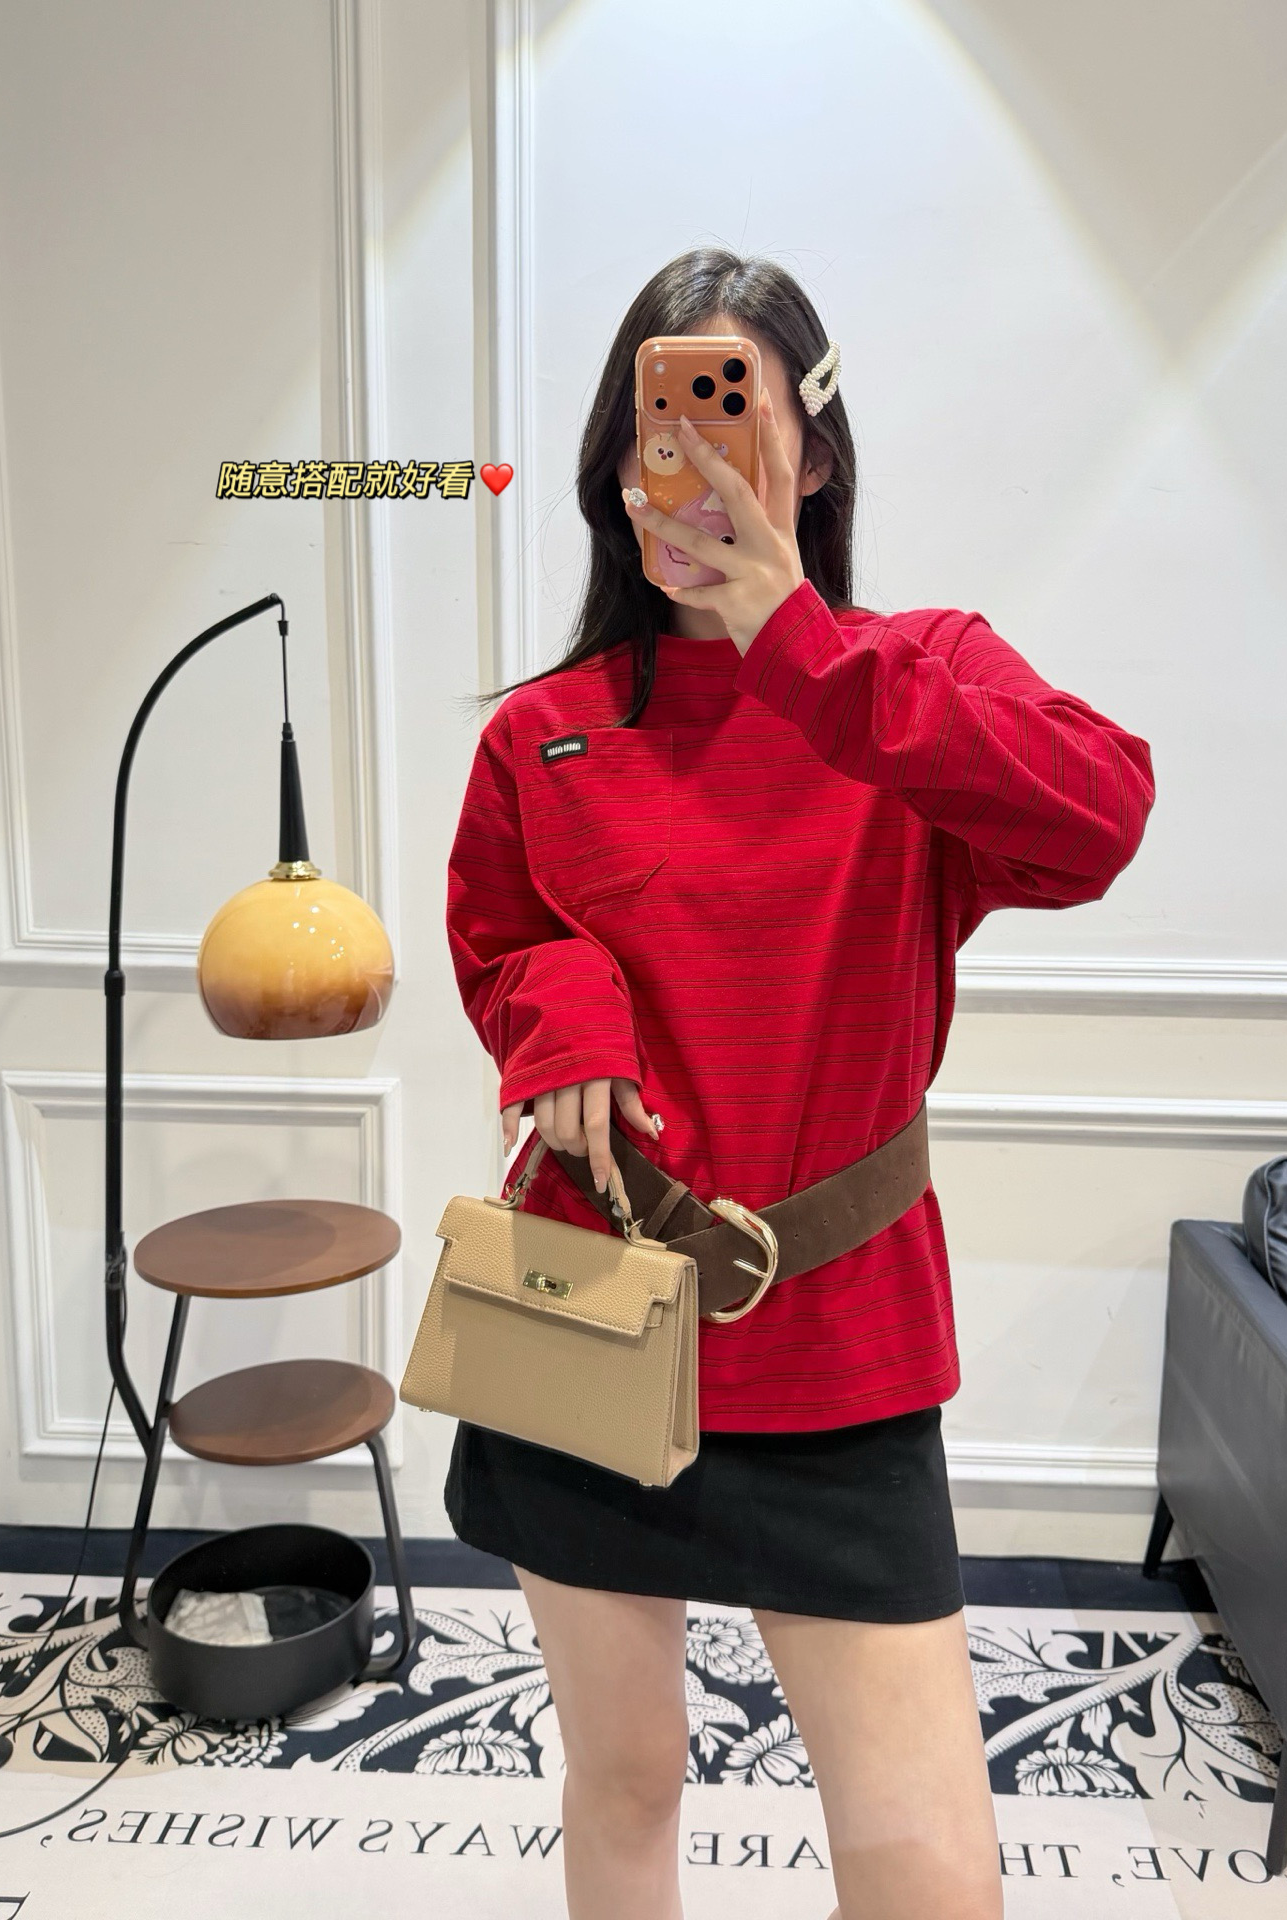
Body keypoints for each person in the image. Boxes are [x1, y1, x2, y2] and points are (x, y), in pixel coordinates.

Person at [442, 247, 1155, 1920]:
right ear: (615, 463)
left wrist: (799, 646)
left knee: (926, 1869)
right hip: (586, 1307)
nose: (686, 460)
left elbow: (1100, 817)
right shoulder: (544, 733)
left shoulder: (912, 679)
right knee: (625, 1777)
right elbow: (501, 934)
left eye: (728, 412)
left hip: (841, 1346)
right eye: (656, 423)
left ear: (814, 452)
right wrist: (564, 1005)